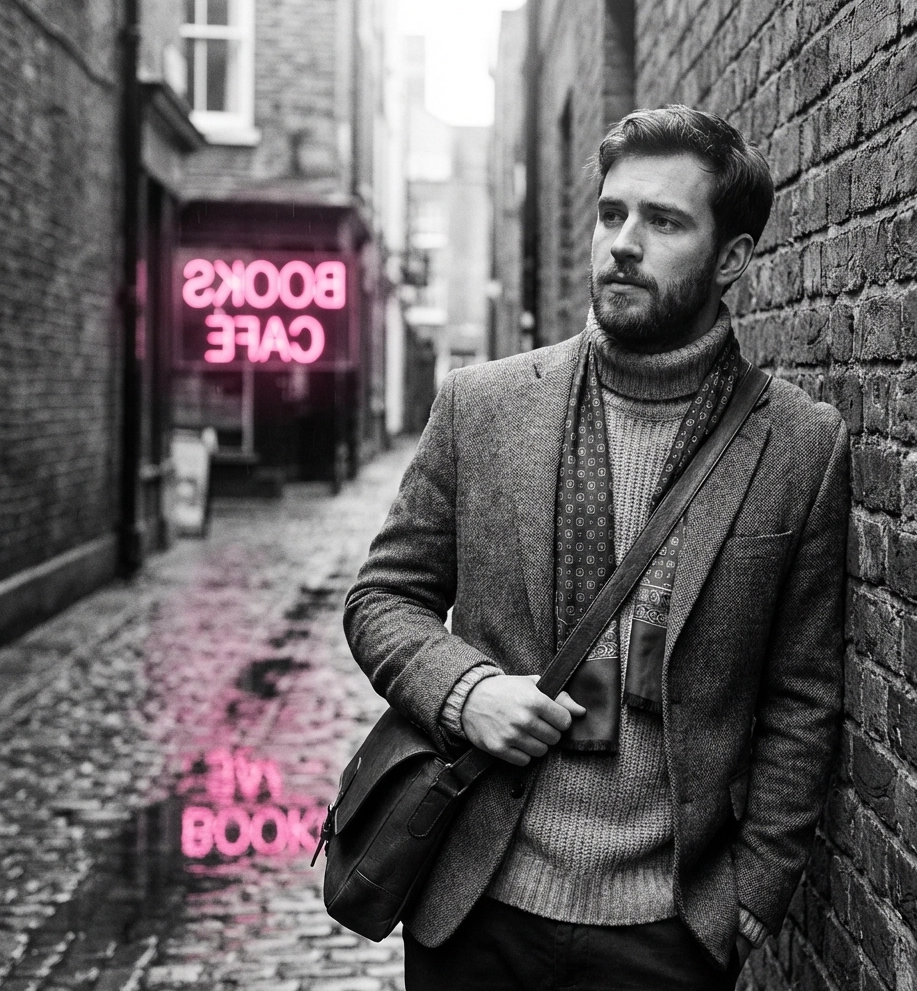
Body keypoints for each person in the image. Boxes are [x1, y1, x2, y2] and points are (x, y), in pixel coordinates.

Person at [344, 105, 849, 990]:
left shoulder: (800, 446)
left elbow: (801, 691)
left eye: (663, 221)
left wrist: (753, 897)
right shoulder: (484, 406)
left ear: (731, 259)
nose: (623, 242)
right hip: (477, 902)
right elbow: (382, 598)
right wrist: (466, 693)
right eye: (612, 213)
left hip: (667, 931)